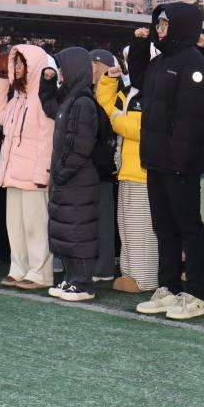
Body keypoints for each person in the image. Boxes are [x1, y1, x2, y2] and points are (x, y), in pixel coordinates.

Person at [136, 3, 204, 320]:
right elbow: (138, 80)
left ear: (180, 26)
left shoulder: (194, 63)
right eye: (158, 24)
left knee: (188, 227)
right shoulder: (159, 62)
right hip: (157, 161)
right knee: (164, 228)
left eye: (165, 24)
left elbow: (192, 119)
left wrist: (183, 160)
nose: (159, 29)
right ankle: (167, 287)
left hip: (180, 164)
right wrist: (139, 46)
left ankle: (194, 295)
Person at [96, 33, 159, 293]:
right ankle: (129, 273)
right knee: (126, 226)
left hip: (144, 173)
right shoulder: (129, 91)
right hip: (125, 170)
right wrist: (108, 80)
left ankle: (145, 278)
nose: (129, 65)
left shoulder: (154, 91)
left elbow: (140, 129)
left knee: (142, 228)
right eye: (127, 60)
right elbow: (105, 104)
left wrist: (116, 119)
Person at [0, 44, 58, 290]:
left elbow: (47, 139)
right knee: (16, 227)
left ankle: (40, 273)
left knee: (35, 227)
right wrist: (1, 78)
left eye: (21, 63)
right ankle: (18, 269)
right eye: (15, 63)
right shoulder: (17, 98)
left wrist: (42, 174)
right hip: (13, 174)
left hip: (34, 176)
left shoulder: (43, 98)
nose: (16, 67)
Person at [45, 48, 103, 301]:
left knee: (78, 232)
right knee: (67, 232)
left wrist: (60, 172)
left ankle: (83, 283)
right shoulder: (70, 98)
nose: (60, 73)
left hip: (77, 179)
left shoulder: (82, 101)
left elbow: (79, 145)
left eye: (62, 68)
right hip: (68, 179)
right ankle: (72, 279)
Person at [87, 49, 121, 284]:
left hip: (107, 167)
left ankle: (105, 266)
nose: (91, 68)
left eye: (94, 64)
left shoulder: (115, 92)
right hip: (92, 165)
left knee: (105, 219)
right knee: (93, 218)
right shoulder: (87, 92)